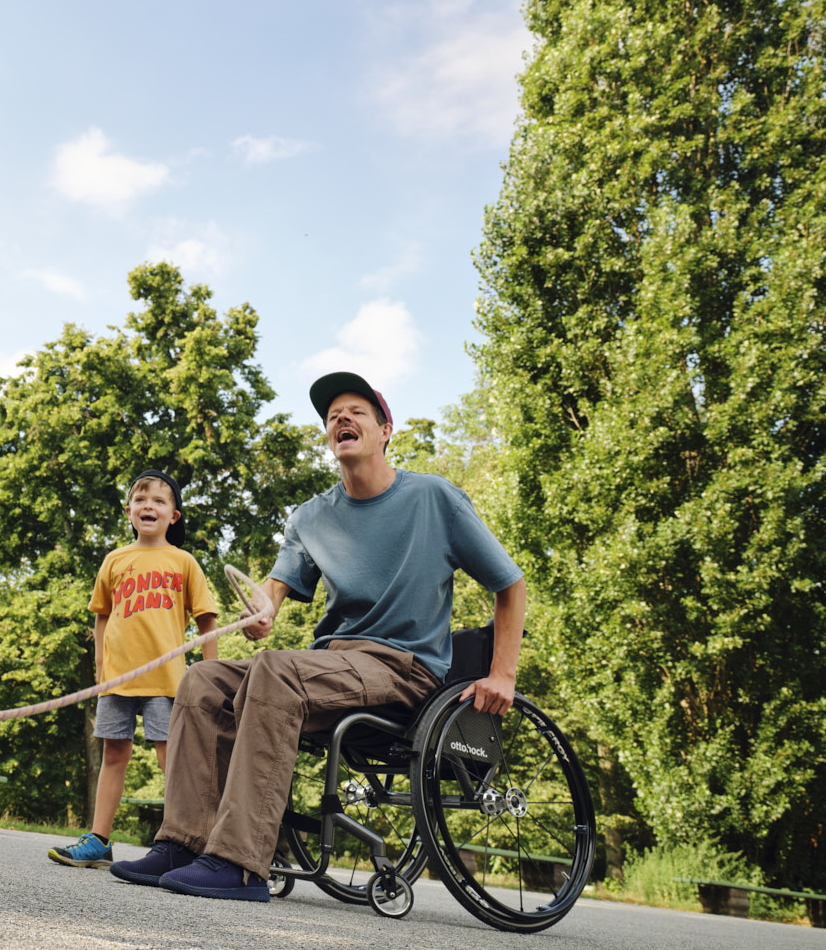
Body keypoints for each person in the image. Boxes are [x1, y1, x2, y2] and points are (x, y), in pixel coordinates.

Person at [107, 371, 529, 901]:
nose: (341, 419)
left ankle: (240, 864)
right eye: (332, 417)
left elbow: (510, 585)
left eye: (356, 411)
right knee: (203, 680)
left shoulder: (433, 498)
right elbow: (274, 593)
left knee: (276, 671)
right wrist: (263, 609)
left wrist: (503, 674)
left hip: (403, 670)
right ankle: (185, 842)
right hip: (332, 667)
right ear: (330, 438)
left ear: (385, 430)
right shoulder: (311, 517)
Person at [48, 470, 220, 870]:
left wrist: (211, 677)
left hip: (166, 682)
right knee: (114, 754)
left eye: (159, 501)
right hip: (118, 680)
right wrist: (101, 668)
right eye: (141, 500)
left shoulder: (184, 562)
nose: (149, 506)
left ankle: (186, 841)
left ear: (174, 516)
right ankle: (99, 841)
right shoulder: (115, 560)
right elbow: (103, 617)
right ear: (128, 511)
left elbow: (207, 623)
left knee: (170, 759)